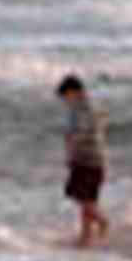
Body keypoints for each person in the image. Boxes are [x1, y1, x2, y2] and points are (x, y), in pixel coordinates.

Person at [55, 75, 109, 249]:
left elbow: (82, 134)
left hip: (87, 159)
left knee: (79, 195)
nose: (65, 100)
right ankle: (85, 236)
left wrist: (71, 151)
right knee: (88, 198)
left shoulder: (85, 110)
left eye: (66, 96)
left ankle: (101, 220)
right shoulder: (80, 109)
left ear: (75, 92)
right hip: (92, 158)